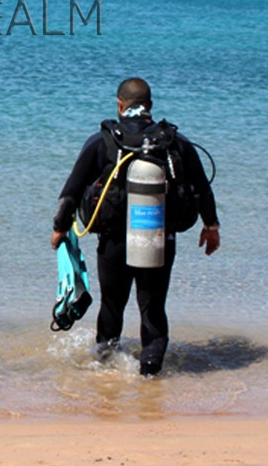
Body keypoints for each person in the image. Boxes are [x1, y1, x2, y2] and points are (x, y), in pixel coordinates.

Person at [50, 77, 220, 376]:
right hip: (158, 240)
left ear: (119, 104)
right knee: (153, 309)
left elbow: (71, 191)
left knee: (112, 308)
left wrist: (60, 229)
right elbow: (203, 189)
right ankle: (150, 378)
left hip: (114, 242)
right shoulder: (174, 143)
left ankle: (105, 378)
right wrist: (211, 227)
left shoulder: (102, 142)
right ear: (150, 107)